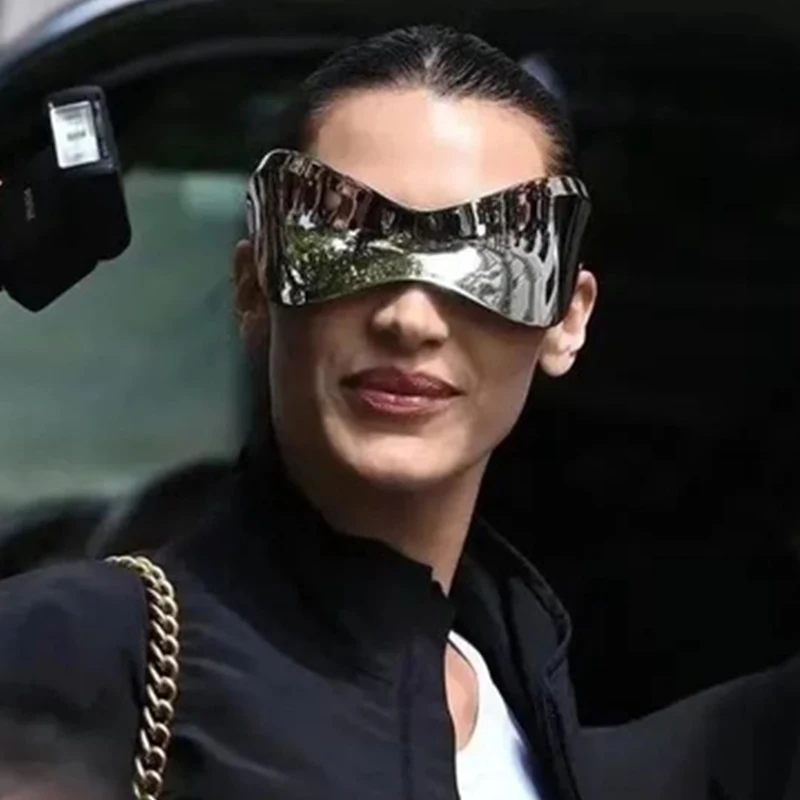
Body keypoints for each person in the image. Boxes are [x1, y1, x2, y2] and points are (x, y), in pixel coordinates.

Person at [0, 24, 797, 800]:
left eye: (489, 259)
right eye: (345, 243)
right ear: (253, 286)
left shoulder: (538, 715)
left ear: (567, 320)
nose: (410, 319)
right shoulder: (74, 655)